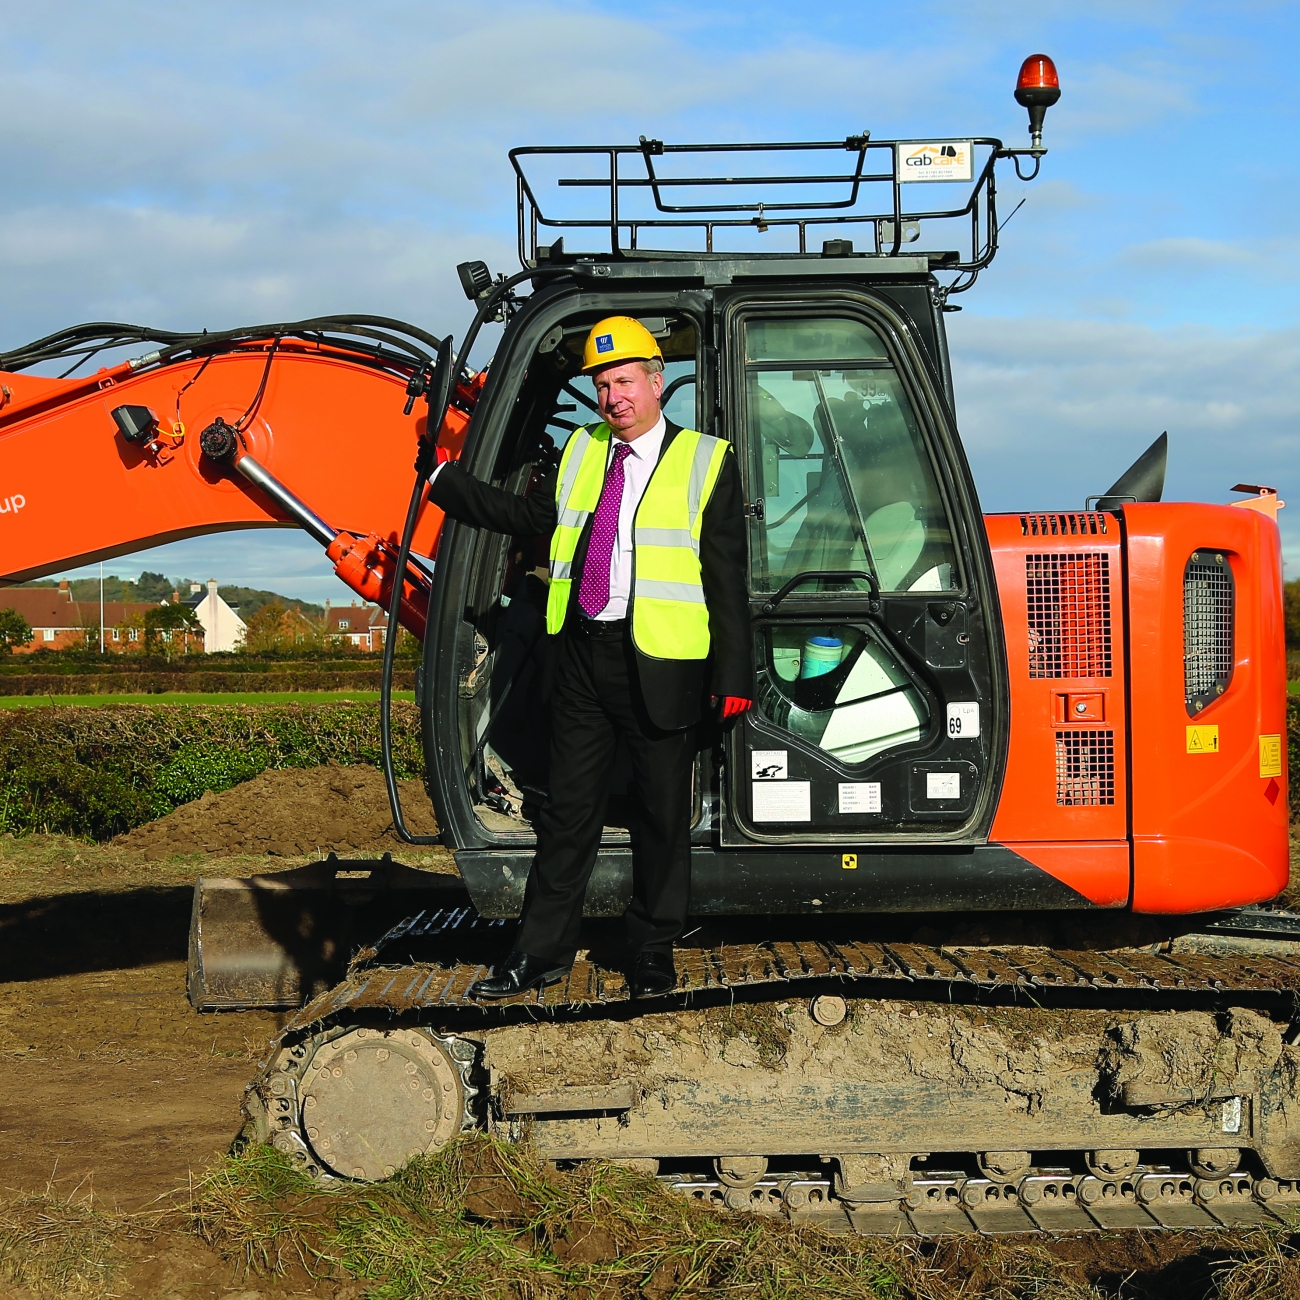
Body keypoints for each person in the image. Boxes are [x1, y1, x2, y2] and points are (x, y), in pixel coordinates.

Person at [426, 316, 752, 999]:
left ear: (657, 383)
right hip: (581, 654)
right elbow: (539, 523)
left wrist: (732, 674)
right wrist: (447, 484)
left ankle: (653, 949)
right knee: (567, 814)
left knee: (661, 816)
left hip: (662, 662)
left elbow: (726, 577)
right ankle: (538, 954)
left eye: (625, 381)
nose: (613, 397)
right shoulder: (583, 450)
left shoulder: (706, 460)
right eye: (603, 385)